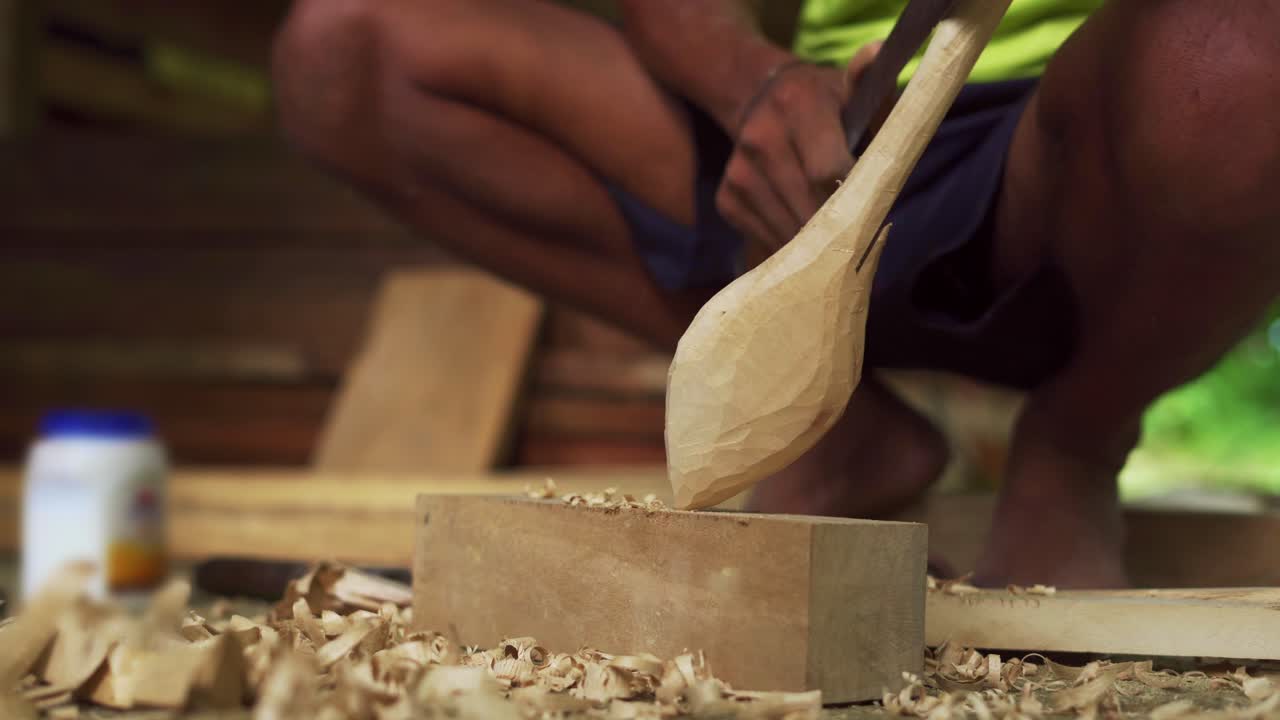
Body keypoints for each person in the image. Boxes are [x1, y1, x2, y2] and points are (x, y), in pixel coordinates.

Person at [270, 0, 1280, 588]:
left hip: (1072, 155)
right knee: (343, 50)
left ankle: (1073, 445)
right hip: (819, 112)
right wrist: (747, 82)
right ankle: (829, 437)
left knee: (1237, 53)